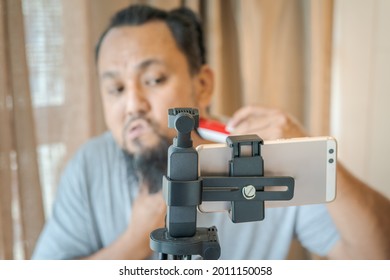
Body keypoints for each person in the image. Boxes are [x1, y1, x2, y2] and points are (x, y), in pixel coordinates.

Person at [32, 4, 390, 260]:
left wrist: (312, 158)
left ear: (202, 85)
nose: (132, 105)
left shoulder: (265, 156)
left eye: (153, 80)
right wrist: (135, 242)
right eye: (116, 89)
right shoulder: (90, 166)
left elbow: (375, 257)